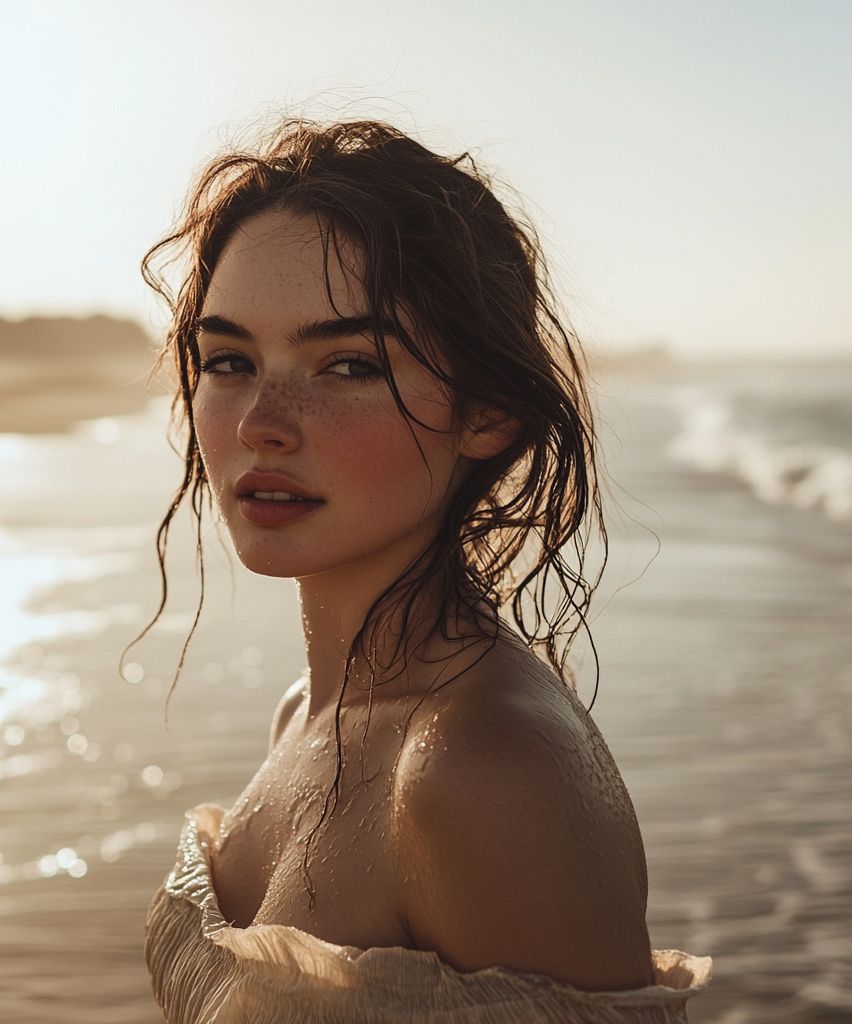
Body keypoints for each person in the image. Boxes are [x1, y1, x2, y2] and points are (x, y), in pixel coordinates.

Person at [141, 119, 710, 1023]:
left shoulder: (482, 768)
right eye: (231, 360)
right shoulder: (309, 706)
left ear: (486, 413)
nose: (260, 422)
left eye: (349, 364)